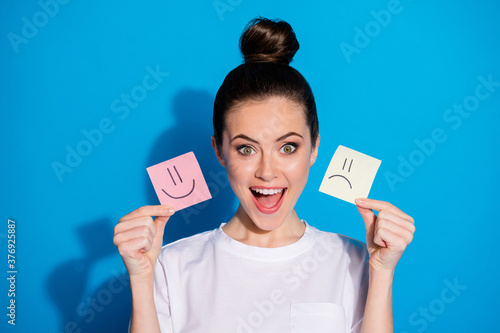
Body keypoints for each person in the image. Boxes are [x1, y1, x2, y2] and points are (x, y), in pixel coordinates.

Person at [113, 17, 415, 333]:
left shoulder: (352, 259)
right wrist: (140, 277)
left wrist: (382, 271)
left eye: (287, 147)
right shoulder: (170, 265)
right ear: (219, 151)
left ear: (314, 149)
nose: (267, 172)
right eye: (246, 149)